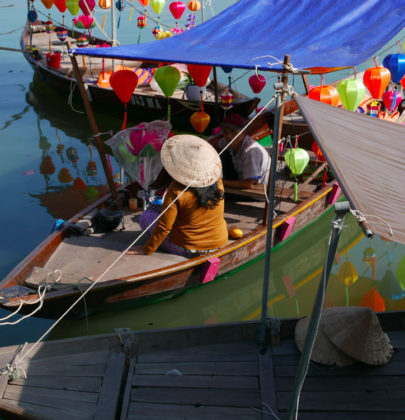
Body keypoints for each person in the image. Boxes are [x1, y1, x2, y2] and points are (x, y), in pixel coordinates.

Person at [127, 134, 228, 257]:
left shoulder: (177, 189)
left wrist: (146, 249)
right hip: (219, 243)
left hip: (188, 248)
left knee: (146, 216)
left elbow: (164, 227)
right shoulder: (217, 182)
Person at [208, 113, 271, 189]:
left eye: (233, 132)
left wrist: (219, 182)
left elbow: (248, 184)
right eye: (225, 131)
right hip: (241, 178)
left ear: (243, 132)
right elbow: (213, 146)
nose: (229, 136)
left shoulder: (250, 151)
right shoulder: (228, 140)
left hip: (255, 190)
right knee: (220, 154)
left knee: (213, 192)